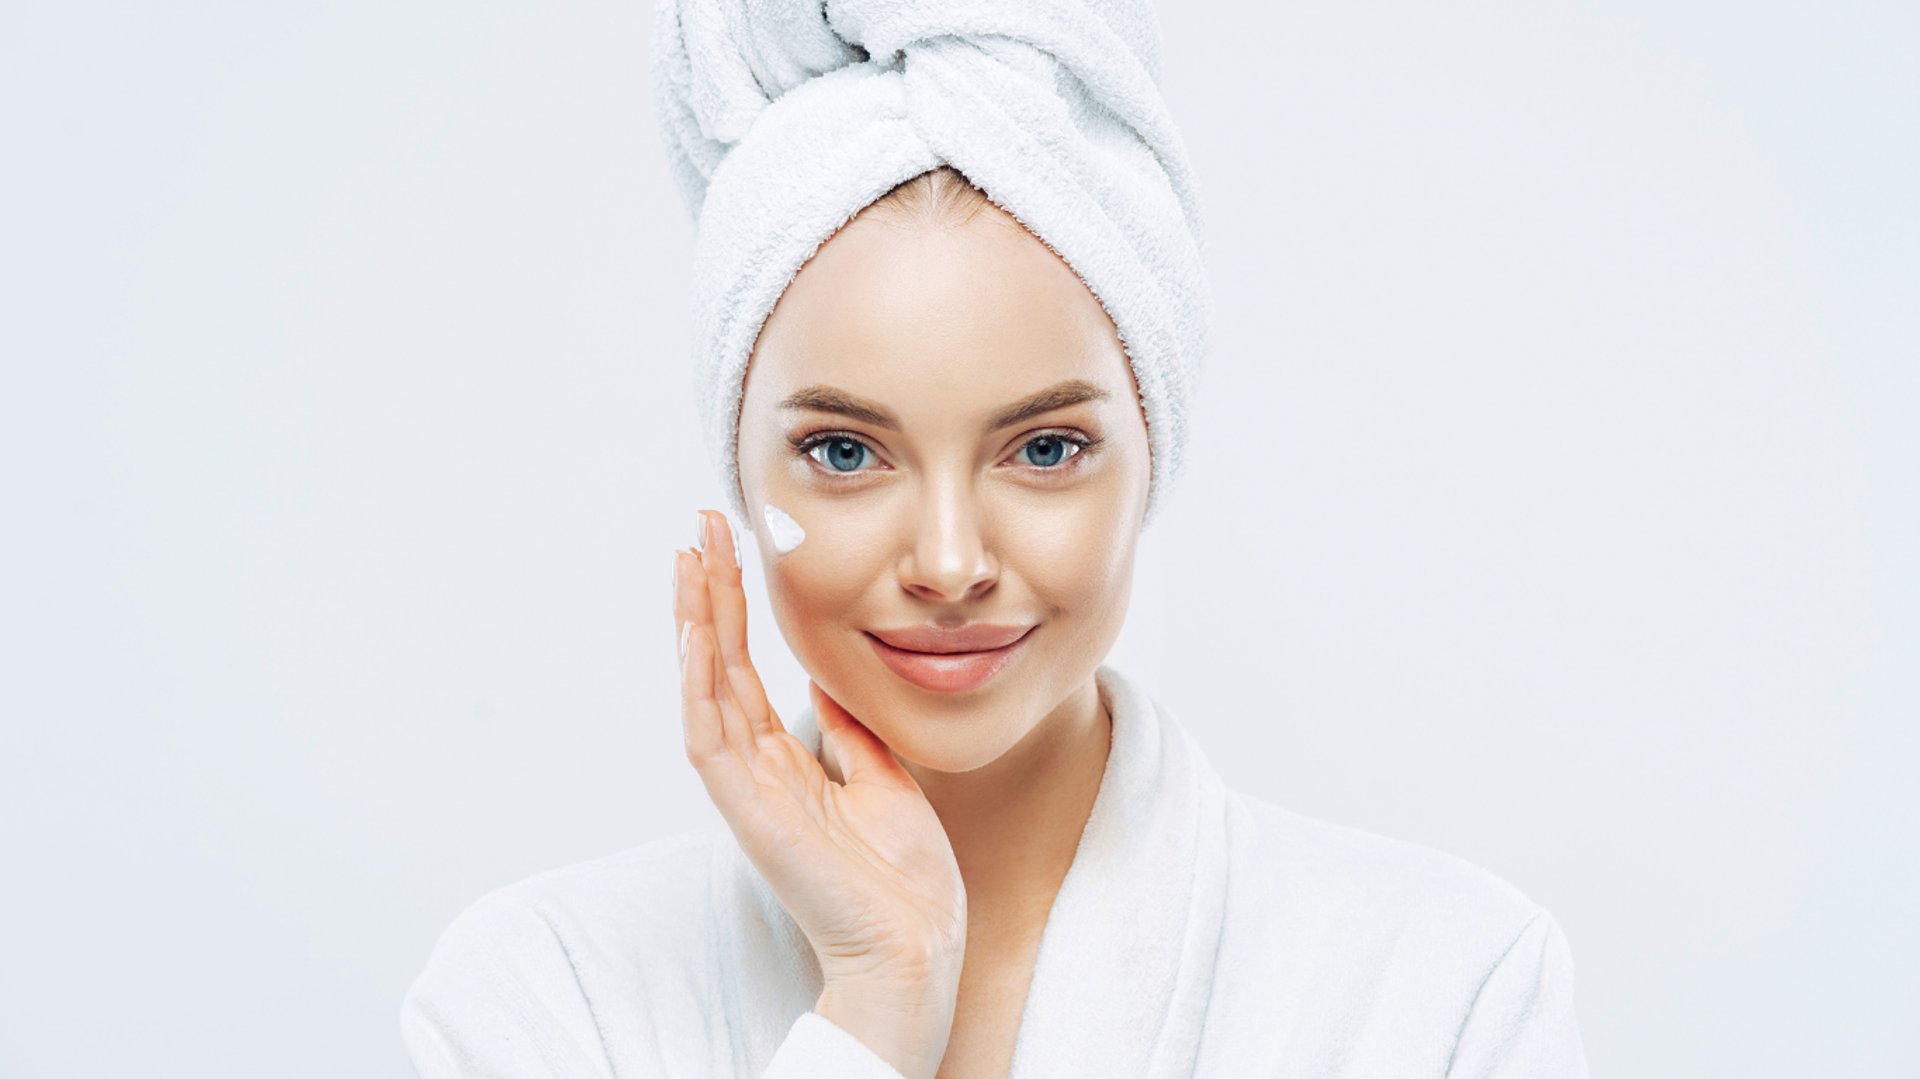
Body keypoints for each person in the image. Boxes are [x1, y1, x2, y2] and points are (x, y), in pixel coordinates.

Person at [401, 4, 1590, 1078]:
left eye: (1046, 448)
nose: (949, 562)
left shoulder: (1445, 992)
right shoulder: (546, 994)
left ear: (1152, 454)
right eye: (845, 451)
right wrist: (875, 1003)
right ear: (741, 467)